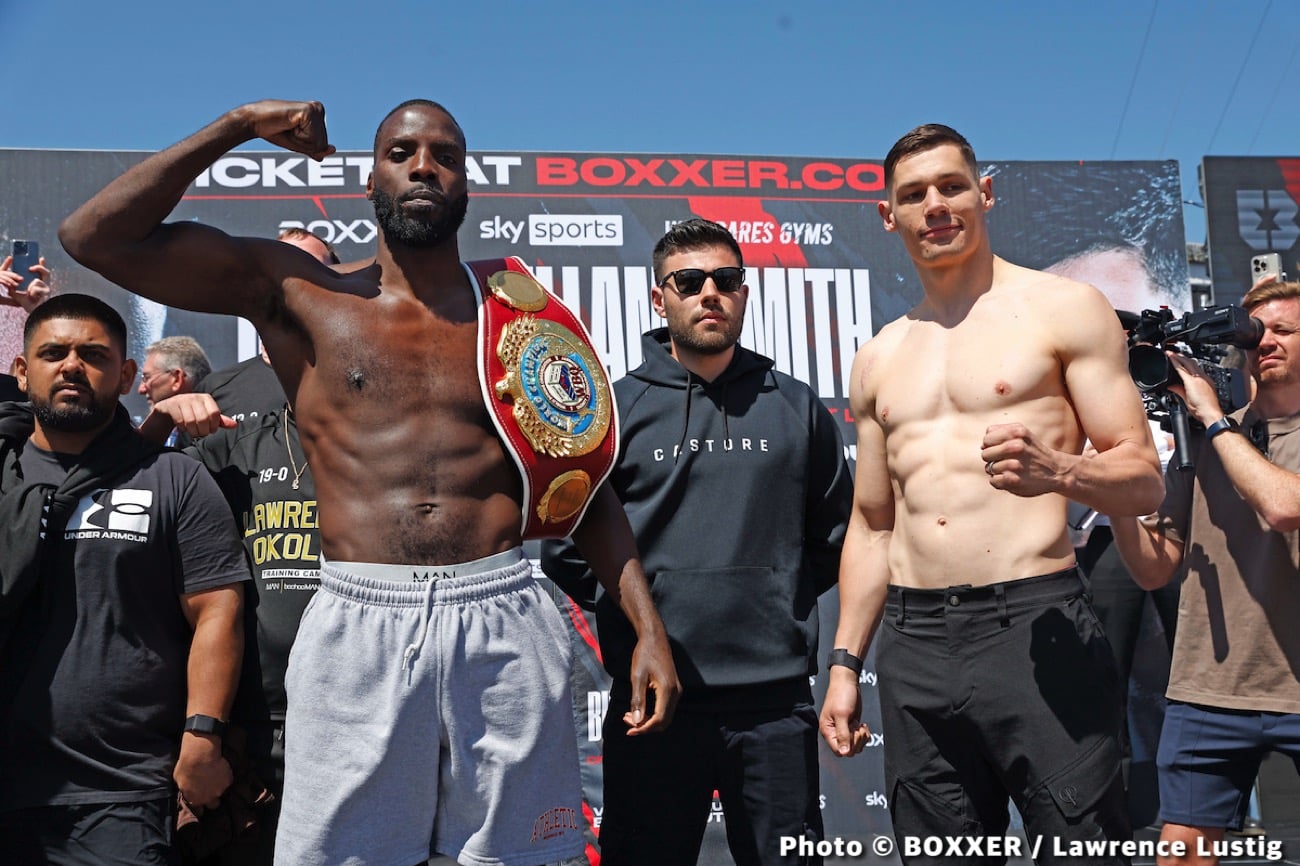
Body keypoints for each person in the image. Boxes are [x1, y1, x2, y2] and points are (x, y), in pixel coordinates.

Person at [60, 97, 680, 866]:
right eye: (402, 152)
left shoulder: (520, 318)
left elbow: (583, 488)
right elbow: (94, 236)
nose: (424, 167)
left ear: (466, 183)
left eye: (444, 156)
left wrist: (645, 626)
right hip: (359, 615)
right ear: (369, 177)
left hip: (502, 611)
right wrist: (238, 126)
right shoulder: (298, 294)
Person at [818, 124, 1164, 863]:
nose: (935, 205)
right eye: (914, 195)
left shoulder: (1065, 309)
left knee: (1080, 848)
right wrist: (846, 665)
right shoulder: (879, 355)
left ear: (985, 193)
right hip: (913, 643)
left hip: (1034, 623)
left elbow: (1141, 474)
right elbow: (873, 527)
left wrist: (1063, 473)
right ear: (889, 216)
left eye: (951, 186)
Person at [541, 218, 854, 866]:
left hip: (775, 706)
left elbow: (835, 538)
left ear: (744, 292)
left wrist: (772, 592)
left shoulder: (793, 404)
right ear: (660, 298)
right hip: (656, 704)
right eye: (689, 281)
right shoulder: (615, 411)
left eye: (726, 279)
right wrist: (645, 612)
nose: (709, 292)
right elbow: (568, 549)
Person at [0, 293, 249, 865]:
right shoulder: (4, 474)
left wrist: (202, 738)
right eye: (53, 353)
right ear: (21, 371)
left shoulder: (172, 478)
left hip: (118, 794)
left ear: (127, 374)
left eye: (92, 354)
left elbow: (217, 608)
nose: (71, 366)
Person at [1107, 278, 1300, 865]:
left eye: (1284, 331)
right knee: (1183, 853)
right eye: (1254, 333)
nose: (1264, 342)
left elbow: (1284, 507)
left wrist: (1214, 420)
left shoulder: (1212, 428)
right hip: (1210, 688)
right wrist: (1114, 496)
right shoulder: (1203, 434)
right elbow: (1154, 567)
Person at [141, 392, 315, 865]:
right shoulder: (237, 444)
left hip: (357, 725)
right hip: (246, 731)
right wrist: (159, 424)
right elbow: (131, 493)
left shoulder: (389, 445)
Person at [196, 229, 339, 425]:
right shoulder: (217, 390)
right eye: (283, 268)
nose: (297, 281)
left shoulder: (364, 382)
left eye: (311, 267)